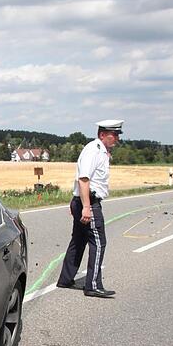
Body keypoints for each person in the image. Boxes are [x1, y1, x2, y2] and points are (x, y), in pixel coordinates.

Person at [56, 119, 122, 298]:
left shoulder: (100, 151)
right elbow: (83, 179)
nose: (117, 138)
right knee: (98, 243)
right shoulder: (94, 150)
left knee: (78, 240)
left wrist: (77, 202)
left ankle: (65, 279)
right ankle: (93, 285)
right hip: (89, 202)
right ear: (102, 134)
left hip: (83, 200)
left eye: (117, 135)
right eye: (114, 134)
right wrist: (85, 206)